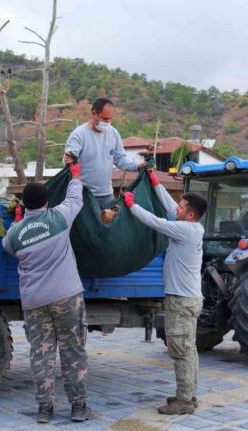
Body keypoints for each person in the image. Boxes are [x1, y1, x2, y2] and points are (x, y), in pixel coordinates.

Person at [1, 162, 90, 424]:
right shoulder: (59, 217)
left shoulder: (15, 234)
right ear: (47, 201)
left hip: (34, 302)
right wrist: (75, 175)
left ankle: (44, 409)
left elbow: (6, 245)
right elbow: (76, 198)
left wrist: (18, 220)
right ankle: (78, 407)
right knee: (72, 350)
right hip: (66, 297)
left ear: (24, 205)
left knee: (41, 354)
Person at [123, 171, 207, 415]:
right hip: (189, 299)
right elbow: (171, 208)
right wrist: (157, 183)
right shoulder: (192, 227)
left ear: (190, 215)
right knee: (188, 349)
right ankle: (189, 395)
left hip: (181, 302)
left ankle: (183, 401)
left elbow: (156, 222)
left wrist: (132, 205)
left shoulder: (185, 230)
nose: (177, 208)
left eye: (182, 207)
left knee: (181, 351)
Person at [64, 97, 146, 209]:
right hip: (83, 195)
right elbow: (70, 160)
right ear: (94, 113)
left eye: (110, 119)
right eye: (104, 119)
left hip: (106, 195)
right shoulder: (78, 135)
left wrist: (137, 166)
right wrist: (68, 159)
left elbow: (120, 159)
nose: (107, 122)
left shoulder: (113, 133)